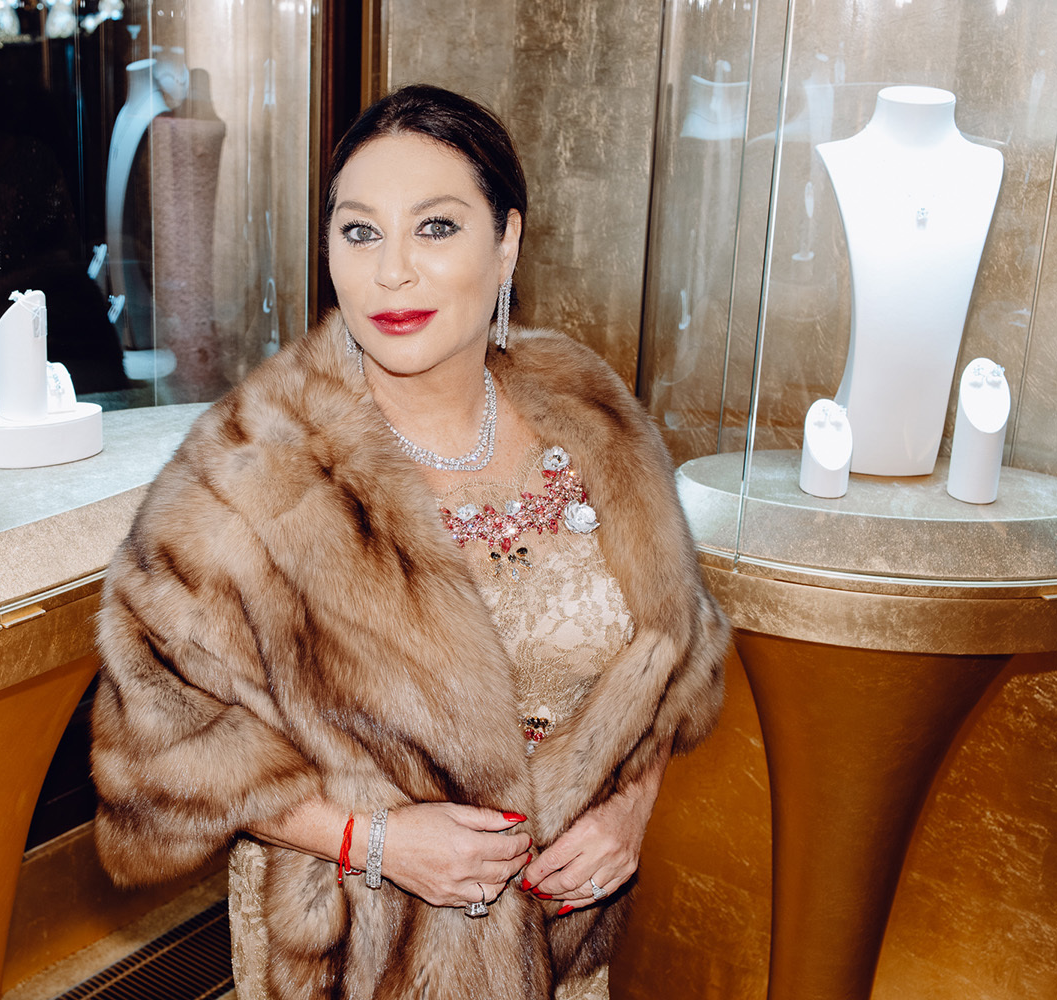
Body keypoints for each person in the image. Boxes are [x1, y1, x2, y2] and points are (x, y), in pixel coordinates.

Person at [90, 84, 729, 999]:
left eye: (435, 227)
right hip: (360, 957)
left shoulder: (587, 410)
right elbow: (153, 753)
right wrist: (376, 840)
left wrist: (629, 805)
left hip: (564, 952)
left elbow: (674, 643)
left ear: (506, 241)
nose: (391, 272)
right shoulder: (256, 472)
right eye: (360, 232)